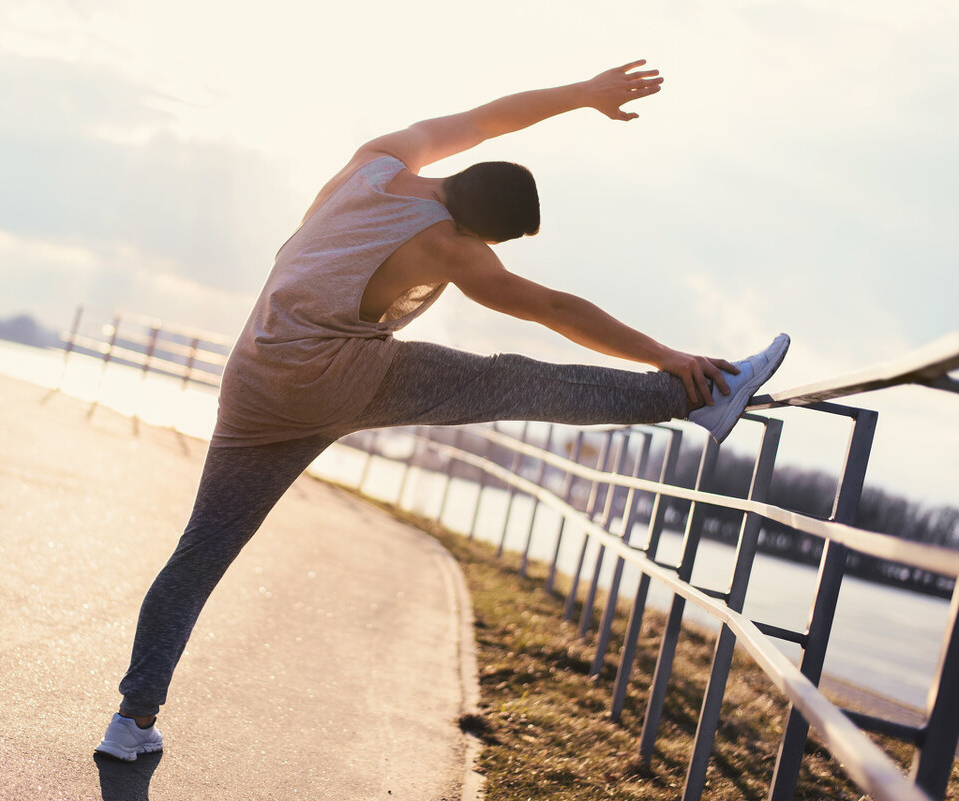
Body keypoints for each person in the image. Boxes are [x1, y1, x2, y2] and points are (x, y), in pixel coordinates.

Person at [94, 59, 789, 761]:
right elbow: (552, 309)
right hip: (337, 377)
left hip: (253, 380)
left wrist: (581, 96)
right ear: (484, 232)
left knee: (202, 551)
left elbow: (489, 119)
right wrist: (667, 354)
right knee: (512, 381)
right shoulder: (449, 246)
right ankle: (704, 393)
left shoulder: (378, 162)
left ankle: (131, 721)